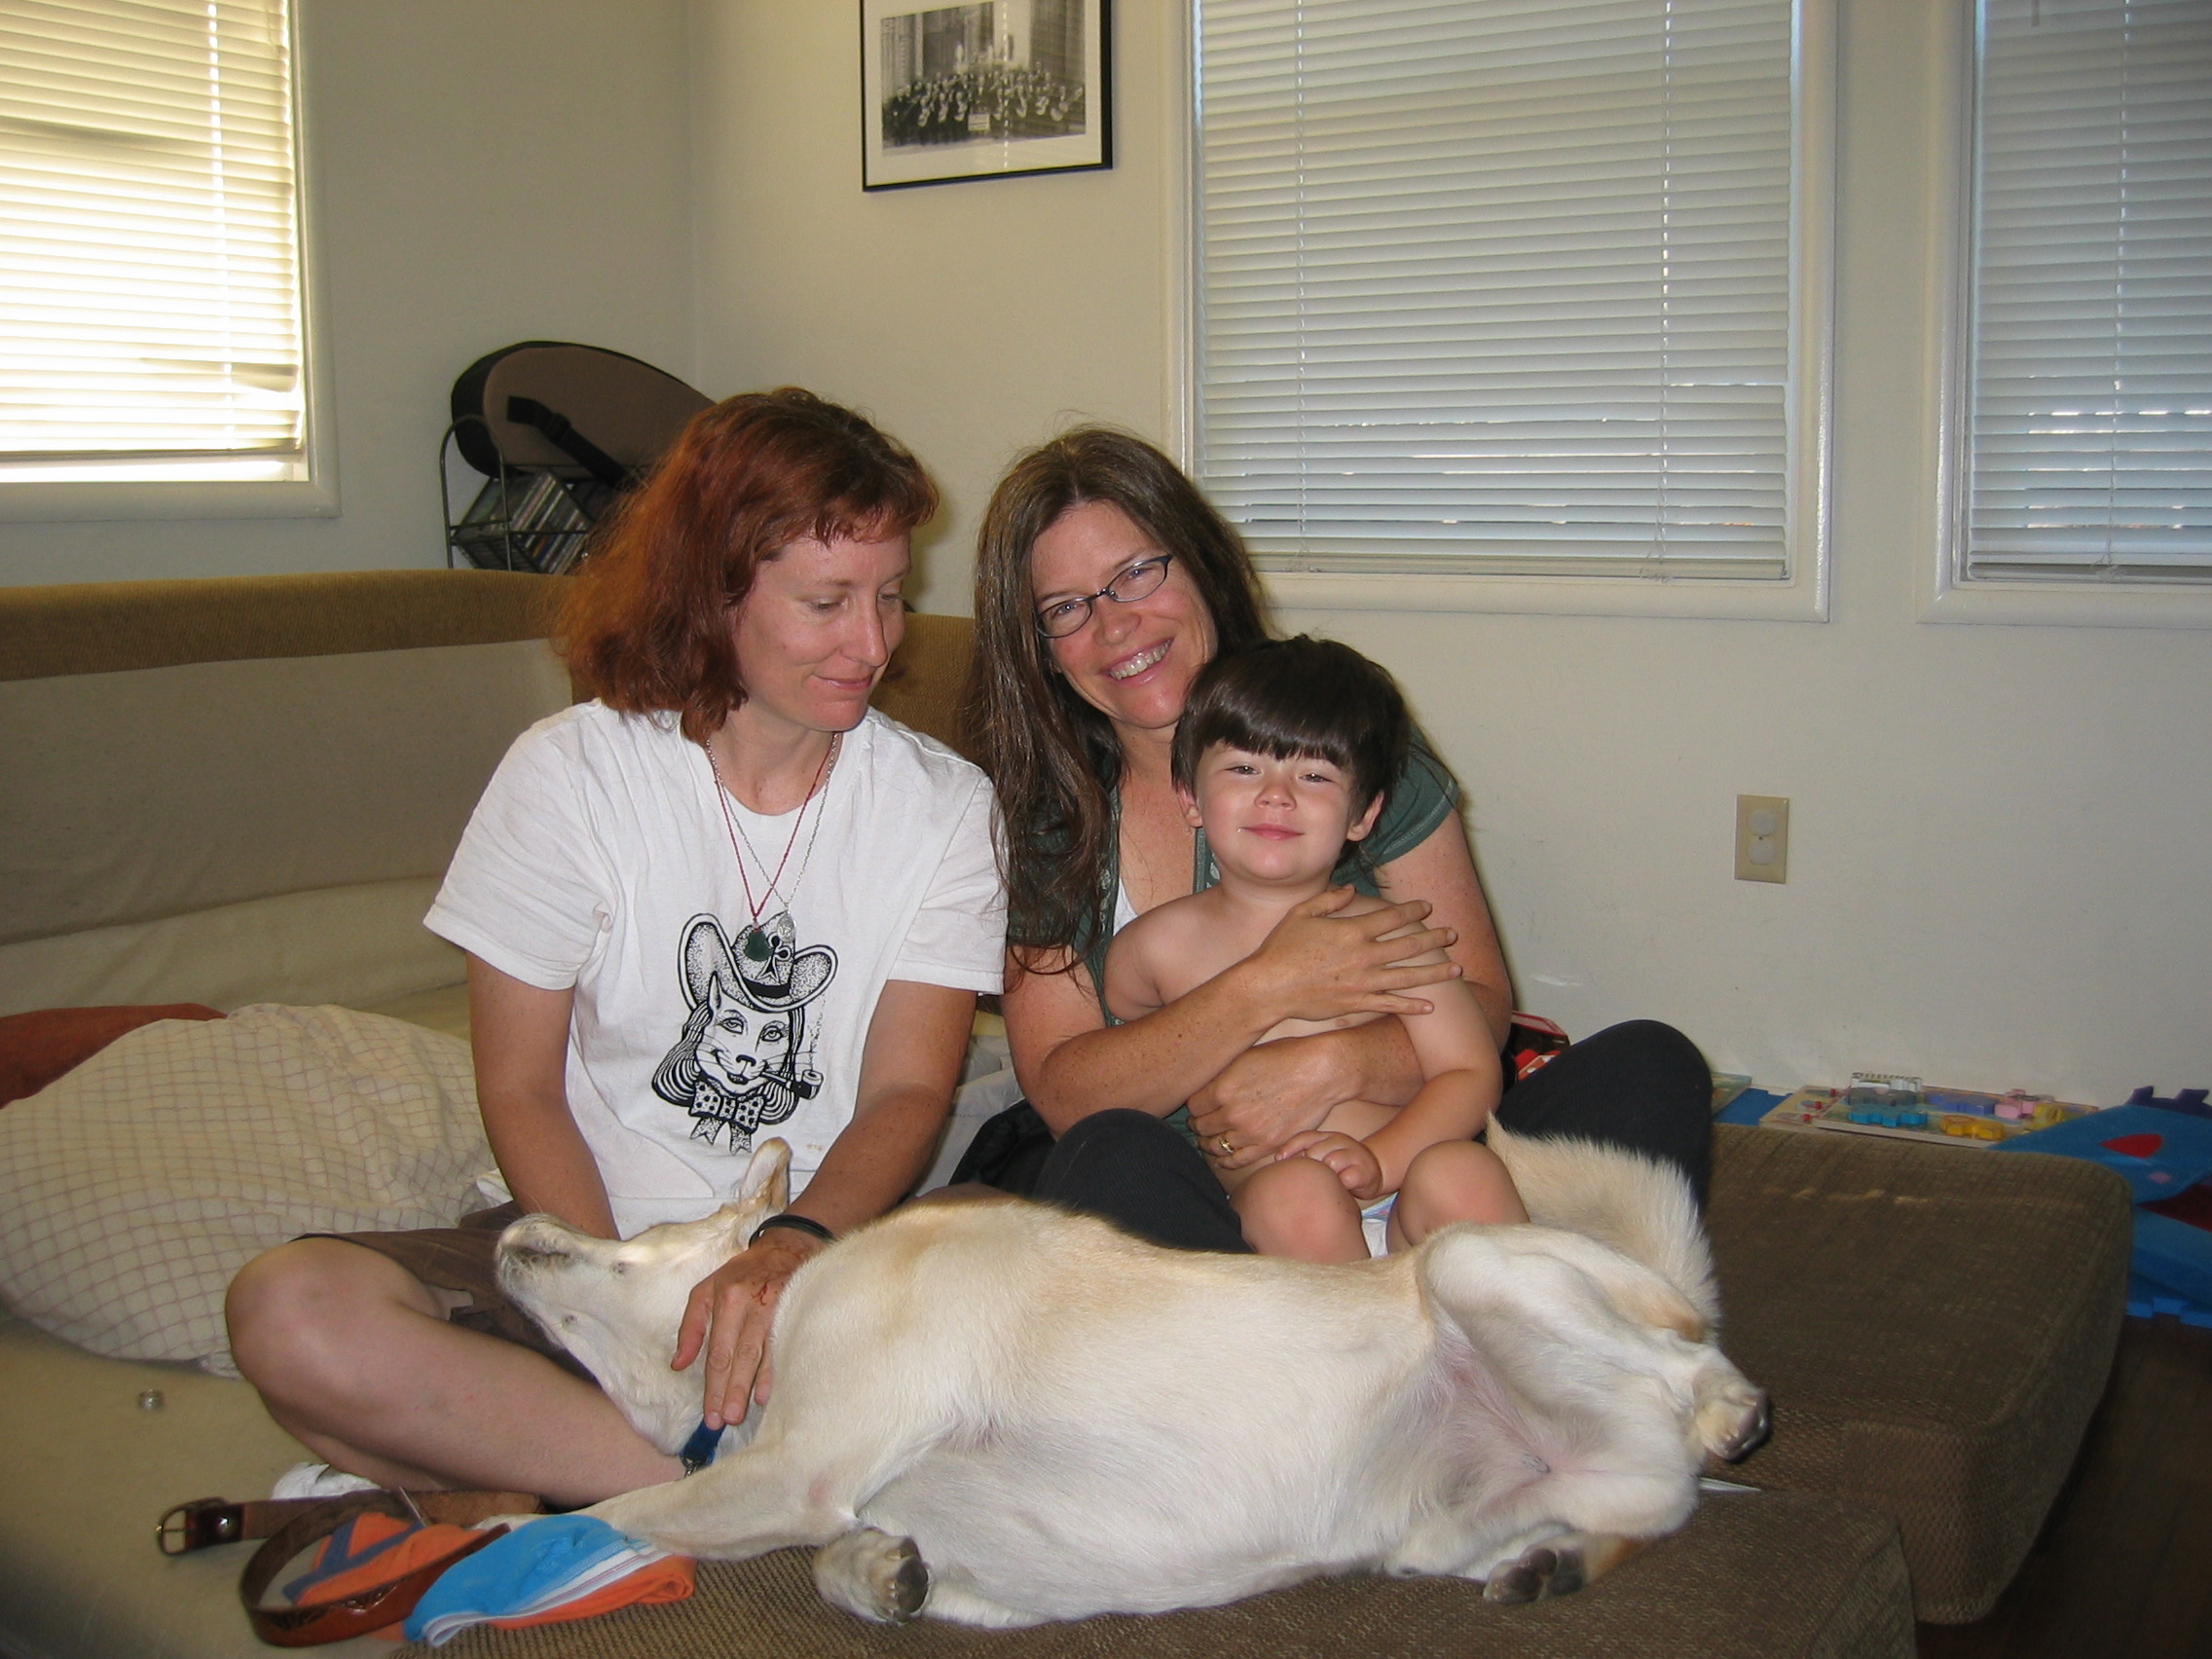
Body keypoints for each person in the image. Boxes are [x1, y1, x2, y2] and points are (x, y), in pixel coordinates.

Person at [226, 389, 1006, 1506]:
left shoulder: (943, 808)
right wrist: (607, 1307)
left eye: (890, 596)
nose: (874, 643)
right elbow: (522, 1088)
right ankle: (736, 1489)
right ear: (712, 591)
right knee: (288, 1310)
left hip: (818, 1255)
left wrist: (788, 1250)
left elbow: (907, 1091)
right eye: (826, 602)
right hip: (591, 1238)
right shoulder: (570, 776)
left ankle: (559, 1478)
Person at [964, 426, 1710, 1254]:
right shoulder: (1043, 820)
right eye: (1067, 608)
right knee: (1106, 1157)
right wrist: (1267, 987)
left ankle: (1514, 1295)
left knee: (1652, 1067)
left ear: (1201, 563)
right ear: (1039, 649)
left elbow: (1481, 1009)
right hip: (1208, 1196)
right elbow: (1066, 1089)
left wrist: (1331, 1067)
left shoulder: (1347, 735)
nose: (1116, 625)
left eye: (1138, 571)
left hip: (1409, 1148)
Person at [1103, 637, 1523, 1262]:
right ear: (1190, 797)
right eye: (1244, 769)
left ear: (1363, 815)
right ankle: (1363, 1328)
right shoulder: (1152, 948)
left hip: (1403, 1194)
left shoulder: (1394, 936)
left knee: (1465, 1171)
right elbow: (1124, 1032)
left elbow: (1469, 1072)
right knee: (1297, 1192)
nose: (1277, 795)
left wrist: (1380, 1161)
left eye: (1315, 776)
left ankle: (1529, 1320)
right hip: (1280, 1227)